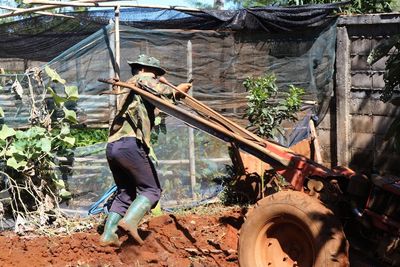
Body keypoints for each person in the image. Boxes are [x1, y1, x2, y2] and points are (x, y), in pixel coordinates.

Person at [99, 54, 192, 246]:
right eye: (154, 73)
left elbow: (159, 103)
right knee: (151, 190)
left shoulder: (131, 90)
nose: (155, 77)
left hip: (113, 146)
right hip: (129, 144)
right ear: (142, 69)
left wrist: (175, 96)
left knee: (126, 192)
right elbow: (158, 89)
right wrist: (175, 91)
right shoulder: (141, 79)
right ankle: (130, 222)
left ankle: (108, 235)